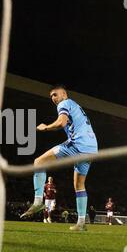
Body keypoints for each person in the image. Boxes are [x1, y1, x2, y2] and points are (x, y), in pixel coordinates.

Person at [20, 85, 98, 231]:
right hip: (92, 148)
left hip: (78, 145)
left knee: (38, 162)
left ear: (64, 94)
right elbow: (67, 124)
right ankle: (81, 222)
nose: (53, 98)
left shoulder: (65, 103)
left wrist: (46, 127)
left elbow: (61, 122)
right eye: (51, 97)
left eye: (55, 94)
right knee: (79, 185)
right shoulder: (75, 105)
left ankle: (37, 201)